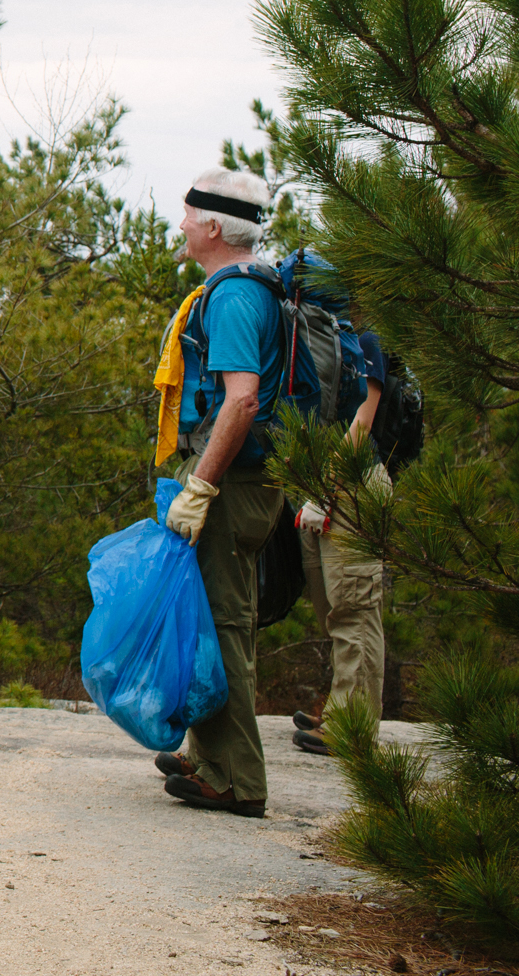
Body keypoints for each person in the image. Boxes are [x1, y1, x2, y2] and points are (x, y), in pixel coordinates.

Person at [149, 167, 285, 819]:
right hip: (233, 478)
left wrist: (200, 487)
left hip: (231, 481)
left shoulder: (233, 297)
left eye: (186, 216)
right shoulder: (251, 287)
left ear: (211, 226)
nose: (180, 226)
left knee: (224, 617)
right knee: (209, 611)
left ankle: (236, 778)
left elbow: (242, 400)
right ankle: (208, 753)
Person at [291, 327, 390, 754]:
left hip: (353, 483)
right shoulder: (330, 343)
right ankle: (341, 707)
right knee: (333, 605)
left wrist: (326, 489)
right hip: (328, 486)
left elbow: (365, 417)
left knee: (354, 608)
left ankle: (353, 725)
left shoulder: (366, 342)